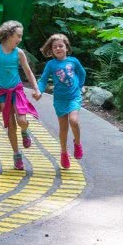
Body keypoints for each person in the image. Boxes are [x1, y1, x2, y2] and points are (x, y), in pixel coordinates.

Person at [0, 20, 40, 171]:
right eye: (18, 36)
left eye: (21, 36)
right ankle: (16, 154)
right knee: (10, 124)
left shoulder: (19, 53)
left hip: (17, 90)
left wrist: (36, 88)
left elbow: (28, 71)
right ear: (9, 34)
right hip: (2, 92)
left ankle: (25, 131)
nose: (20, 39)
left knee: (21, 121)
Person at [33, 34, 86, 169]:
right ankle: (63, 152)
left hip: (74, 97)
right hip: (60, 99)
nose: (58, 48)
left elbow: (82, 73)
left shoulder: (73, 61)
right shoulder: (51, 64)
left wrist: (79, 86)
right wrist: (39, 91)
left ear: (66, 48)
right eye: (54, 46)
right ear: (51, 50)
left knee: (73, 121)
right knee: (63, 128)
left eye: (61, 46)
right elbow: (44, 79)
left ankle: (77, 143)